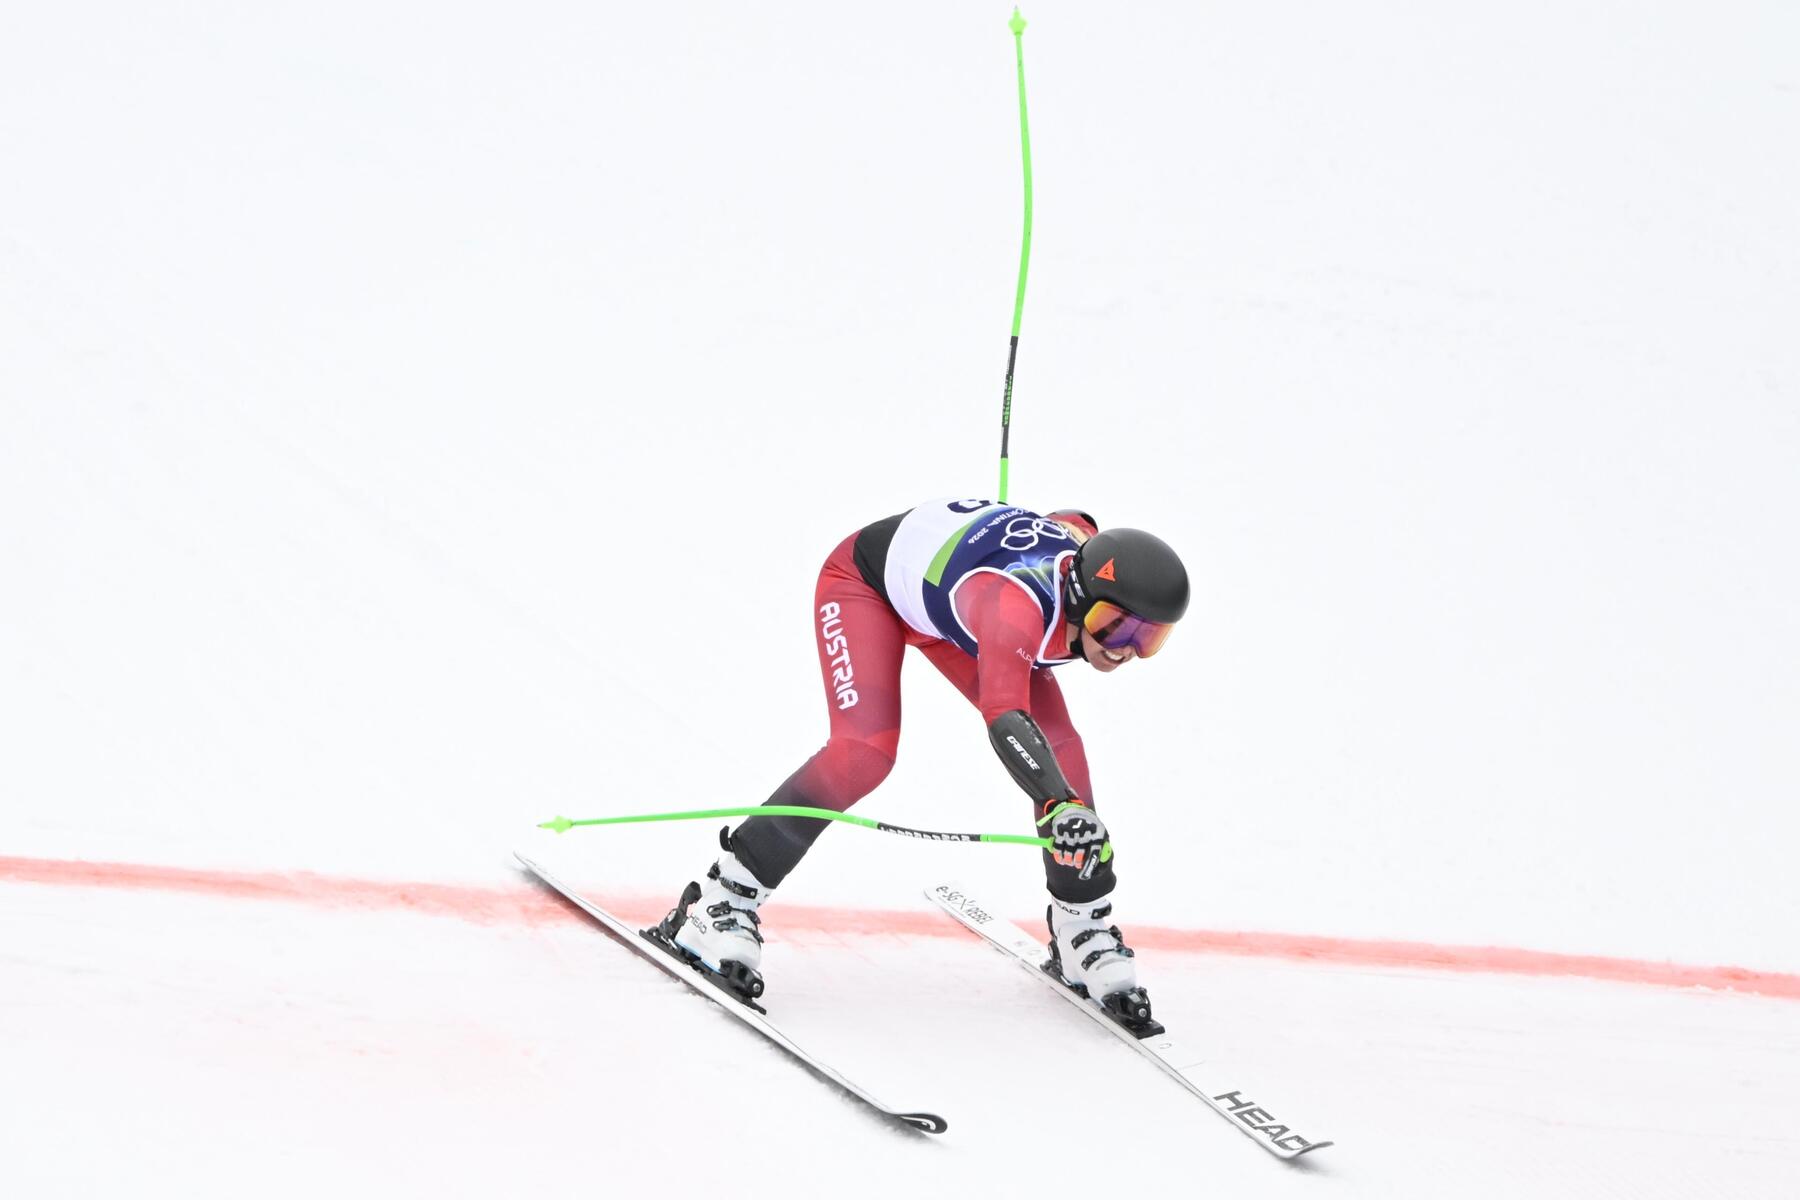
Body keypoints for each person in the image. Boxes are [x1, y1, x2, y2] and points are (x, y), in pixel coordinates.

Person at [651, 498, 1190, 1033]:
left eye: (1149, 638)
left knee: (1063, 755)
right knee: (865, 752)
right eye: (1114, 626)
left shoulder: (1079, 564)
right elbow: (1005, 715)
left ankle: (1081, 929)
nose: (1125, 650)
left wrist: (1064, 799)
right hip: (868, 588)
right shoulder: (1015, 607)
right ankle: (721, 900)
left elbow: (1077, 520)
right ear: (1077, 594)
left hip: (945, 612)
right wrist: (1059, 804)